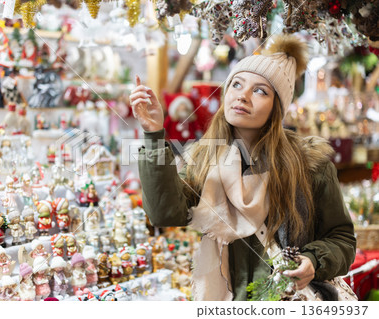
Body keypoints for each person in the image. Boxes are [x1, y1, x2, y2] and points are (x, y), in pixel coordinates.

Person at [129, 34, 356, 301]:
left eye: (260, 90)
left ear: (277, 108)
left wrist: (313, 260)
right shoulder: (202, 159)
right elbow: (165, 214)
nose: (243, 96)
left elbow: (342, 238)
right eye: (236, 84)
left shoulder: (309, 164)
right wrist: (154, 134)